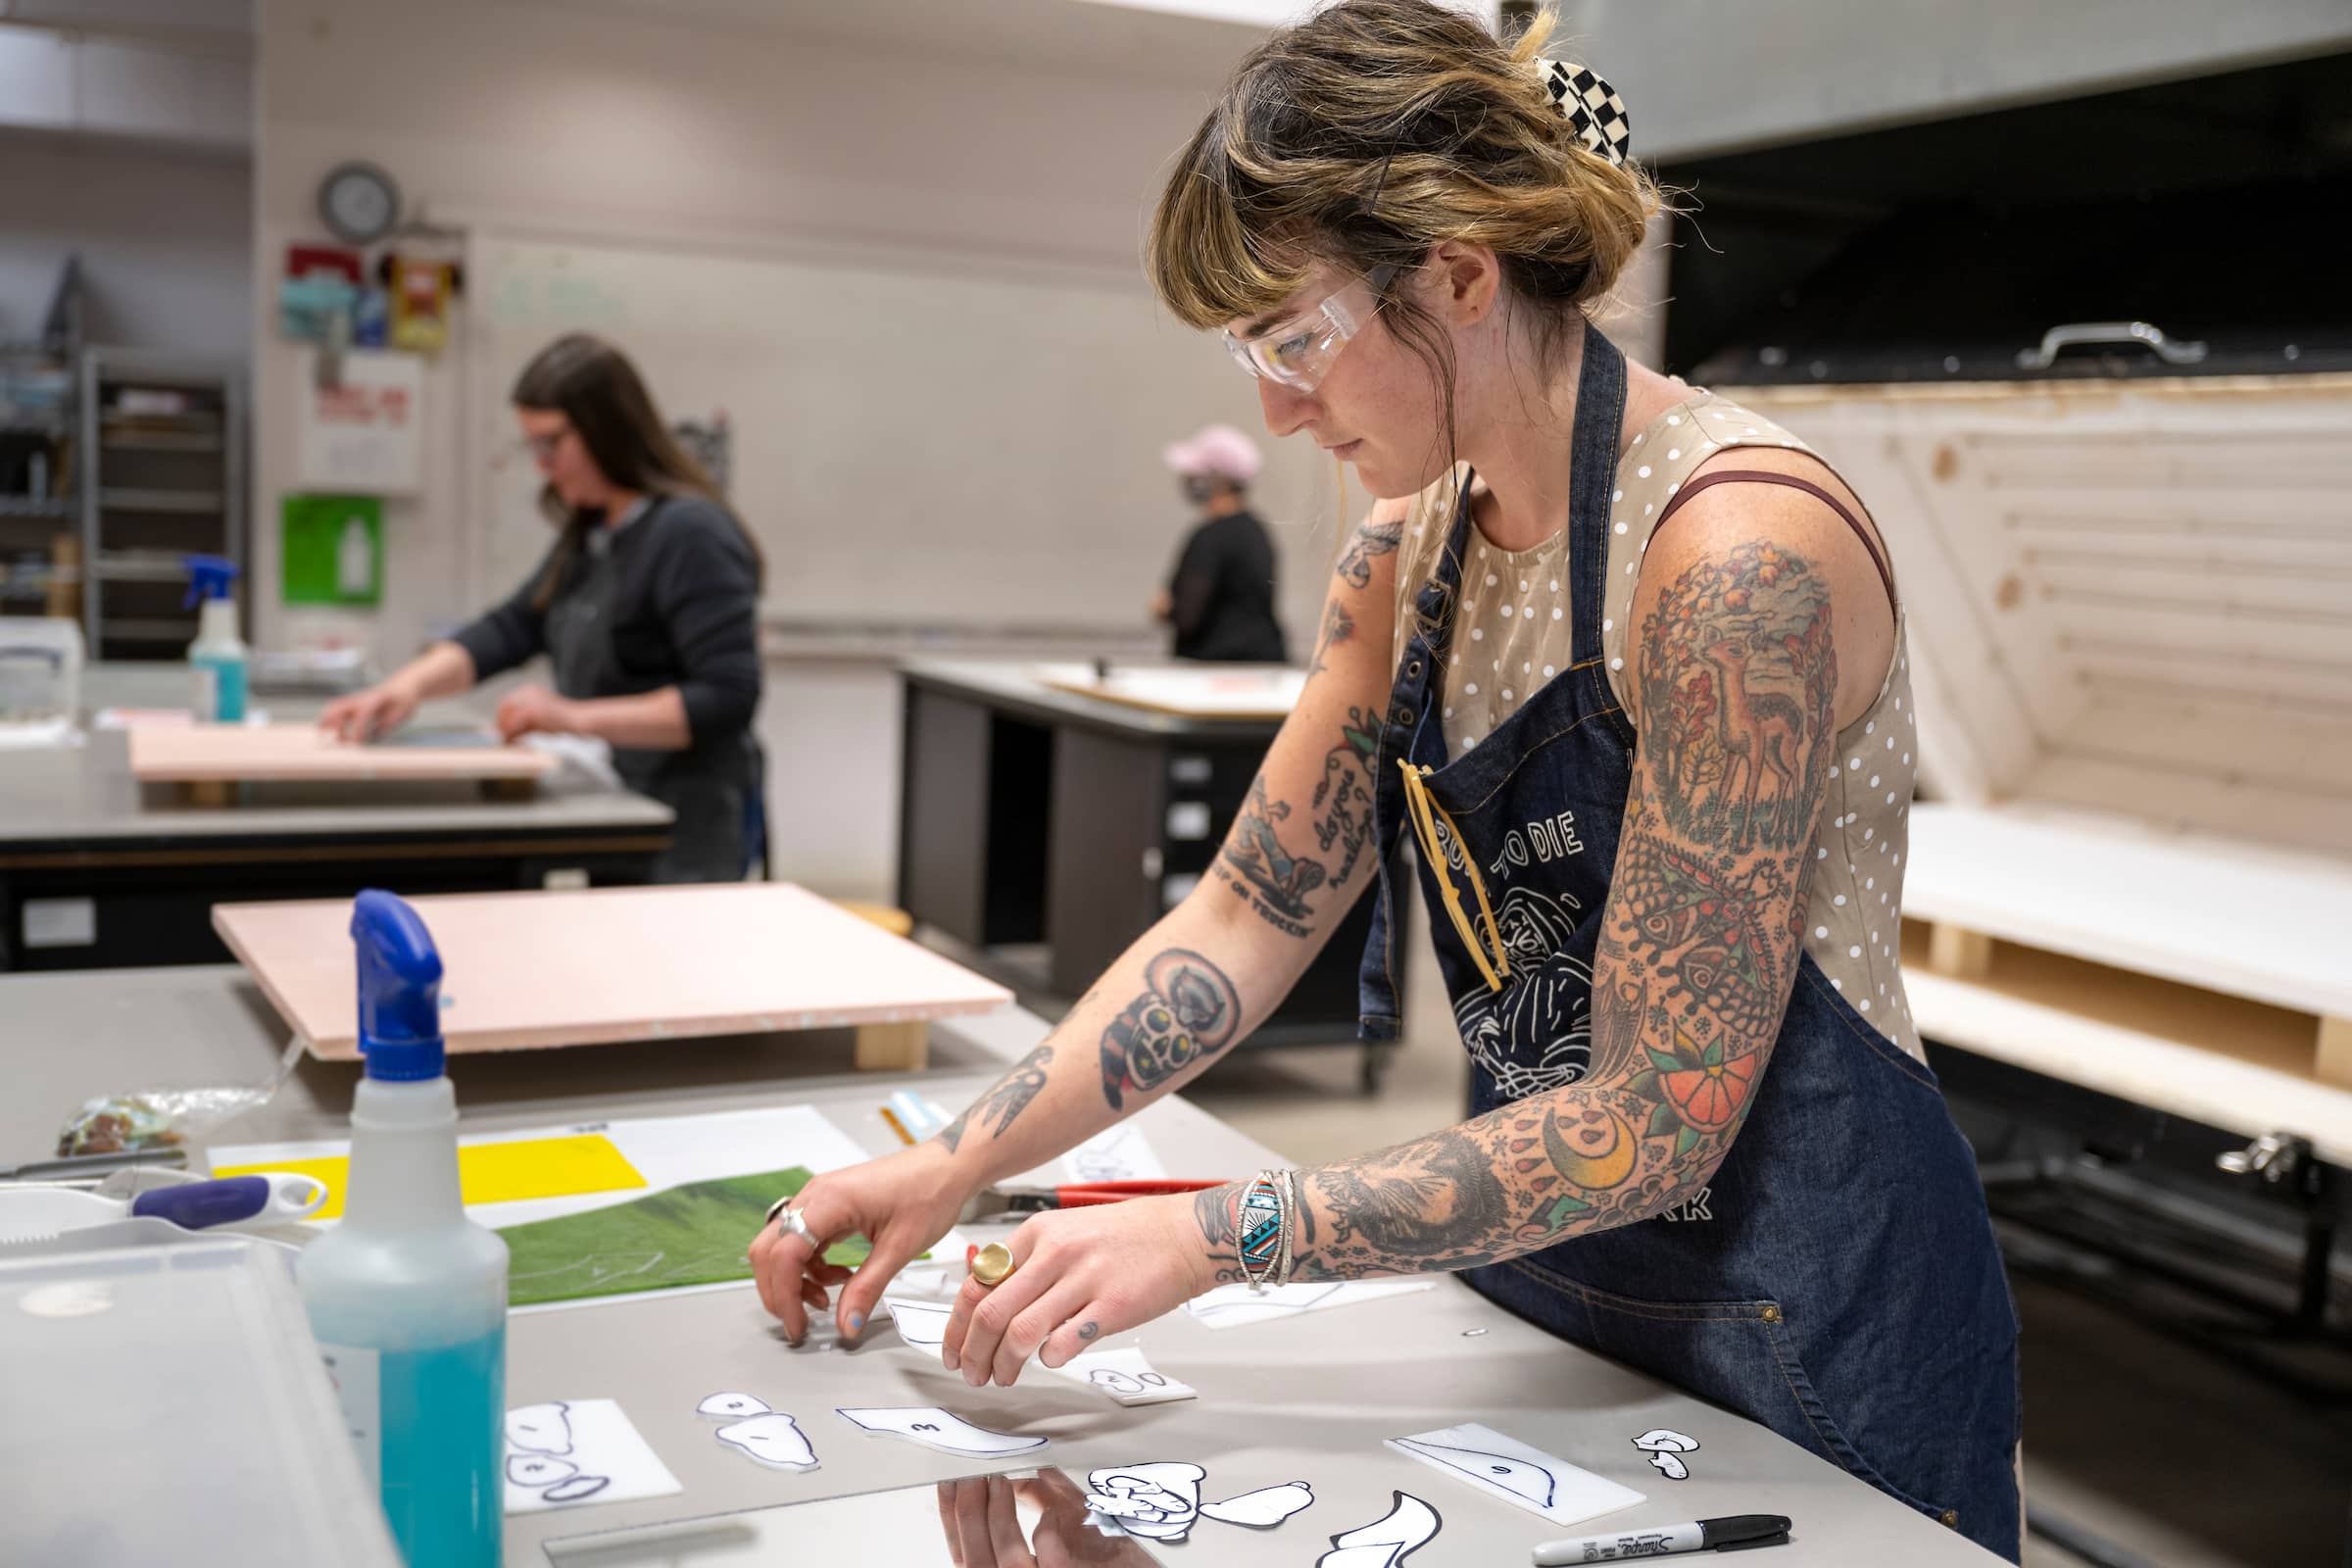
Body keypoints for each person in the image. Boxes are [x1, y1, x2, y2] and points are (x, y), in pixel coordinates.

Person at [750, 4, 2021, 1559]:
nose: (1278, 406)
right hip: (1543, 1295)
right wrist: (961, 1161)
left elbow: (1656, 1117)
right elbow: (1241, 922)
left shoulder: (1733, 560)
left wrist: (1227, 1233)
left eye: (1296, 339)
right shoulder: (1407, 558)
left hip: (1811, 1325)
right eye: (1253, 354)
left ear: (1461, 277)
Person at [321, 333, 763, 883]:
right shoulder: (594, 532)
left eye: (552, 443)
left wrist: (571, 717)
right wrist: (405, 687)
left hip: (683, 833)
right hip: (620, 811)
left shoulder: (689, 532)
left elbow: (727, 696)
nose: (543, 465)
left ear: (608, 427)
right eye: (534, 446)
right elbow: (513, 626)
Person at [1149, 422, 1288, 662]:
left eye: (1194, 473)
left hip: (1214, 668)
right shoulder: (1257, 532)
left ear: (1216, 480)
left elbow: (1188, 615)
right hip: (1264, 662)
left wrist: (1165, 609)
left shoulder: (1209, 537)